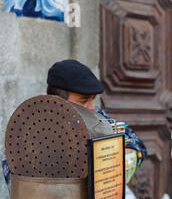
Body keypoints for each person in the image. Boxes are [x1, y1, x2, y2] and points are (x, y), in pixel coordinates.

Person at [2, 59, 147, 186]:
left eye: (93, 99)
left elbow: (137, 145)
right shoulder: (26, 134)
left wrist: (117, 160)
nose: (91, 107)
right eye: (83, 101)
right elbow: (22, 189)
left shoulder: (98, 116)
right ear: (58, 101)